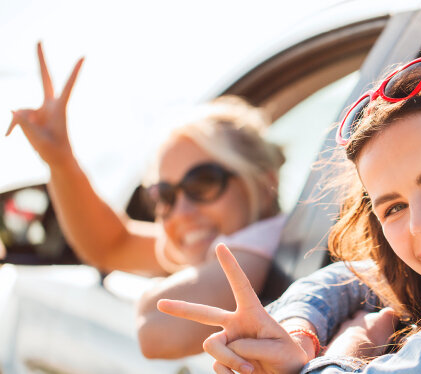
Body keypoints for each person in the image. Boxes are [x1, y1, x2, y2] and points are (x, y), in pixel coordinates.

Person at [158, 55, 421, 373]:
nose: (420, 223)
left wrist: (345, 351)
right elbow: (349, 278)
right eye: (394, 206)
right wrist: (298, 332)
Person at [6, 43, 287, 359]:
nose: (181, 212)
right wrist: (60, 161)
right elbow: (111, 246)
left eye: (204, 183)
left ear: (264, 183)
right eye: (164, 196)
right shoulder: (239, 237)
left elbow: (158, 330)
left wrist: (153, 293)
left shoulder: (263, 242)